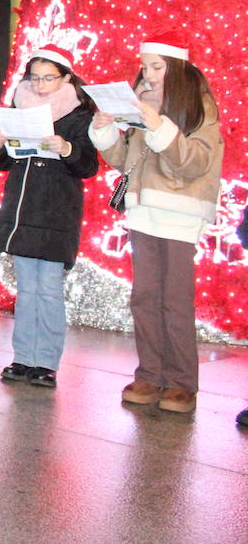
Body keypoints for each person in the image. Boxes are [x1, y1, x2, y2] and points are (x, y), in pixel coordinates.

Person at [89, 31, 223, 414]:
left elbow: (196, 162)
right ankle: (150, 374)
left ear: (176, 68)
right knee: (144, 298)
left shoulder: (199, 106)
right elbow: (125, 160)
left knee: (174, 301)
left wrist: (161, 127)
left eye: (156, 67)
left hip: (179, 212)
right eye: (145, 66)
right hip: (142, 210)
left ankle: (181, 383)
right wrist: (104, 130)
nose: (147, 74)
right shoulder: (140, 102)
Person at [0, 45, 99, 387]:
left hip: (56, 214)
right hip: (22, 210)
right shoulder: (18, 109)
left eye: (49, 78)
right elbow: (4, 162)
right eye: (35, 77)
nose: (40, 85)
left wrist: (67, 149)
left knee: (48, 289)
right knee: (27, 290)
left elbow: (89, 165)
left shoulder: (79, 116)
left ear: (66, 78)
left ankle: (46, 361)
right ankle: (22, 357)